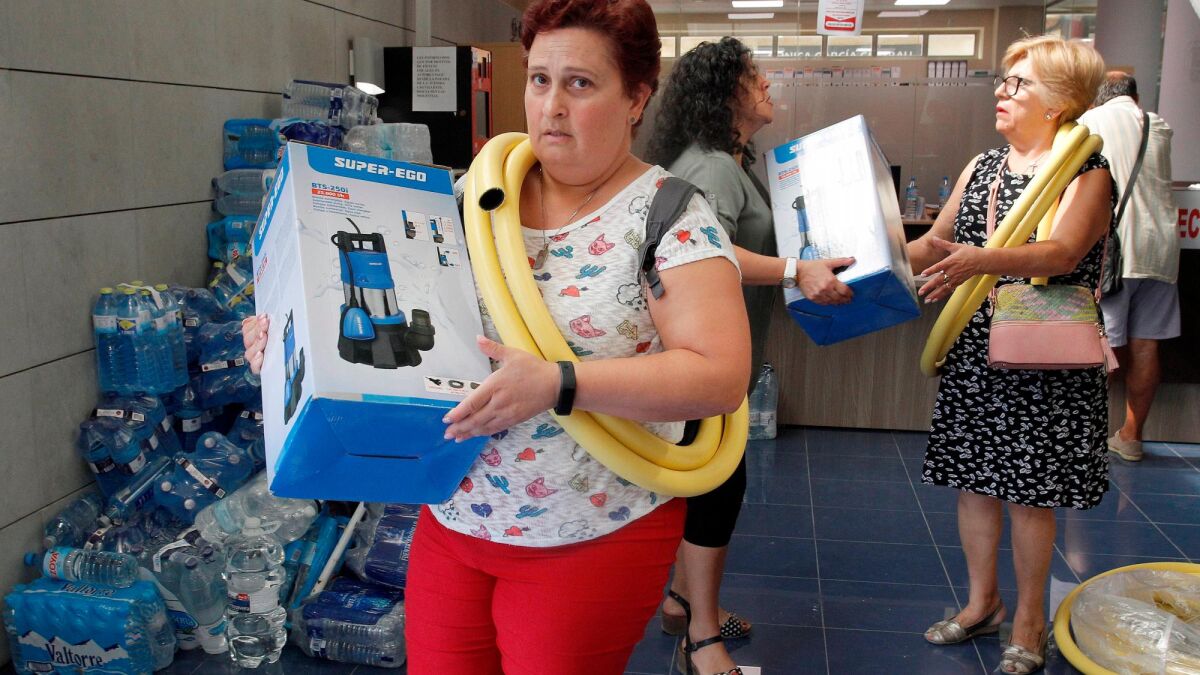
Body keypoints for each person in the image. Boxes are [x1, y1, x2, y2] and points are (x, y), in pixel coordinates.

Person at [244, 1, 751, 672]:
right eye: (540, 80)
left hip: (589, 529)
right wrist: (290, 337)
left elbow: (718, 375)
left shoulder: (669, 217)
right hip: (455, 514)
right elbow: (390, 317)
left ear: (636, 97)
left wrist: (559, 383)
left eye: (580, 83)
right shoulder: (467, 202)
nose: (552, 107)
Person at [906, 35, 1113, 675]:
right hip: (977, 350)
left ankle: (1029, 622)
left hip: (1043, 355)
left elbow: (1062, 253)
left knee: (1029, 494)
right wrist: (863, 256)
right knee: (973, 483)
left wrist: (983, 260)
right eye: (1005, 79)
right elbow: (936, 244)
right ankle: (982, 603)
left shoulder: (1086, 172)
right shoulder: (983, 166)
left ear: (1059, 102)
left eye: (1019, 83)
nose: (1002, 91)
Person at [645, 37, 852, 675]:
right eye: (752, 75)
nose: (765, 84)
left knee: (709, 484)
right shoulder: (711, 167)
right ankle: (702, 639)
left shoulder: (728, 163)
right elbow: (710, 252)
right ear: (722, 93)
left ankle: (682, 602)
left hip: (712, 356)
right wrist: (795, 269)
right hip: (700, 358)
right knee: (716, 488)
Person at [1078, 72, 1180, 462]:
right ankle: (1131, 437)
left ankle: (1084, 439)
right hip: (1161, 251)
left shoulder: (1091, 121)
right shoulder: (1159, 125)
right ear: (1135, 97)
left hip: (1116, 253)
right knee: (1145, 345)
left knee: (1099, 347)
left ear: (1098, 98)